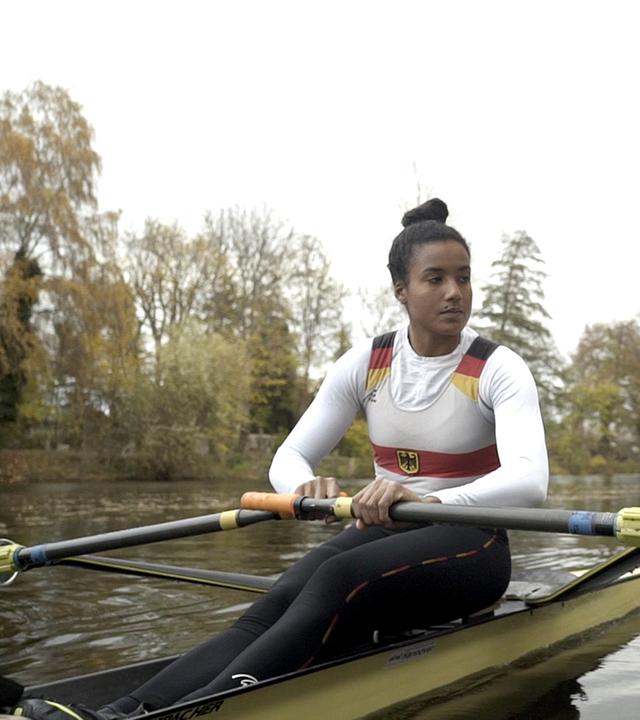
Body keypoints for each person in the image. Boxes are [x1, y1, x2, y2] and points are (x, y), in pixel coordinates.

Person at [11, 198, 548, 720]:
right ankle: (118, 712)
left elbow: (530, 481)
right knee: (277, 600)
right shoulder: (366, 362)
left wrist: (431, 500)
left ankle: (188, 712)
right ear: (401, 290)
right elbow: (289, 456)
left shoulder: (498, 367)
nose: (455, 292)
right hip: (390, 532)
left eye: (463, 278)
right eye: (436, 279)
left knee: (338, 576)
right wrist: (303, 488)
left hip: (474, 545)